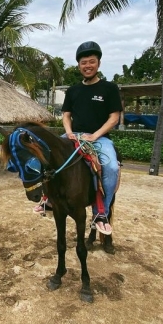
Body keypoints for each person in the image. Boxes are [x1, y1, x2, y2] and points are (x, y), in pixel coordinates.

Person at [61, 41, 122, 235]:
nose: (87, 65)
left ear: (98, 64)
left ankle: (101, 213)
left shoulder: (109, 88)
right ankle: (48, 199)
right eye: (83, 62)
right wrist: (69, 133)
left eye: (91, 62)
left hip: (99, 139)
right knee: (47, 153)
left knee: (111, 167)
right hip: (74, 135)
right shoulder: (72, 91)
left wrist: (95, 135)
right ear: (79, 65)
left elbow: (114, 117)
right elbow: (66, 116)